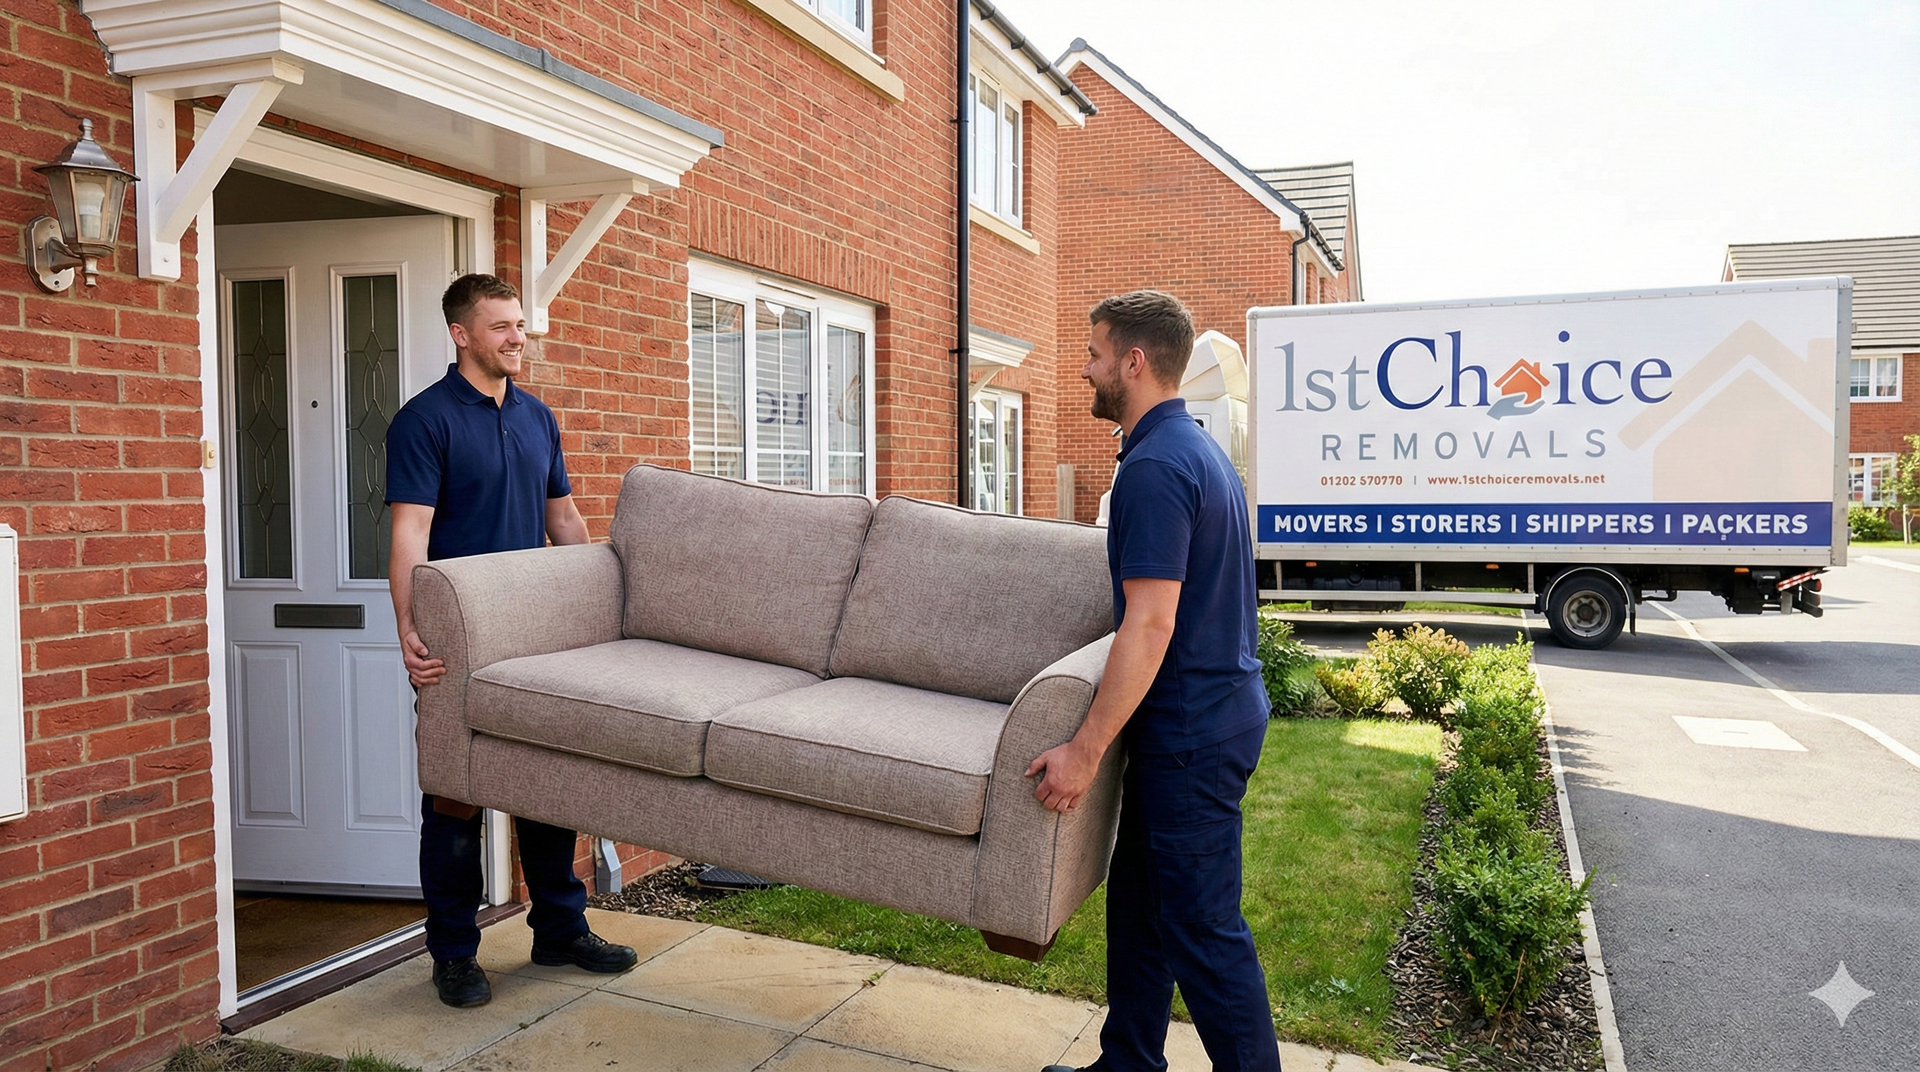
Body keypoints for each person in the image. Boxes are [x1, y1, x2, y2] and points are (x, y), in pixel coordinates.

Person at [1031, 291, 1280, 1072]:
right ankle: (1128, 1063)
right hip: (1207, 715)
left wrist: (1084, 749)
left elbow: (1150, 625)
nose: (1085, 367)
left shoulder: (1157, 468)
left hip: (1192, 731)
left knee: (1202, 930)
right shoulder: (1194, 449)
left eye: (1096, 352)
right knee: (1141, 906)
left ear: (1135, 362)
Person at [386, 274, 638, 1009]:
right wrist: (407, 624)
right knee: (458, 797)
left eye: (520, 325)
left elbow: (564, 519)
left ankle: (560, 927)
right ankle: (455, 954)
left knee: (547, 779)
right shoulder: (424, 420)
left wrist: (600, 608)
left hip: (538, 632)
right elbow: (410, 531)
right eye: (501, 327)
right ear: (462, 334)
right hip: (457, 638)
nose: (518, 338)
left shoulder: (537, 417)